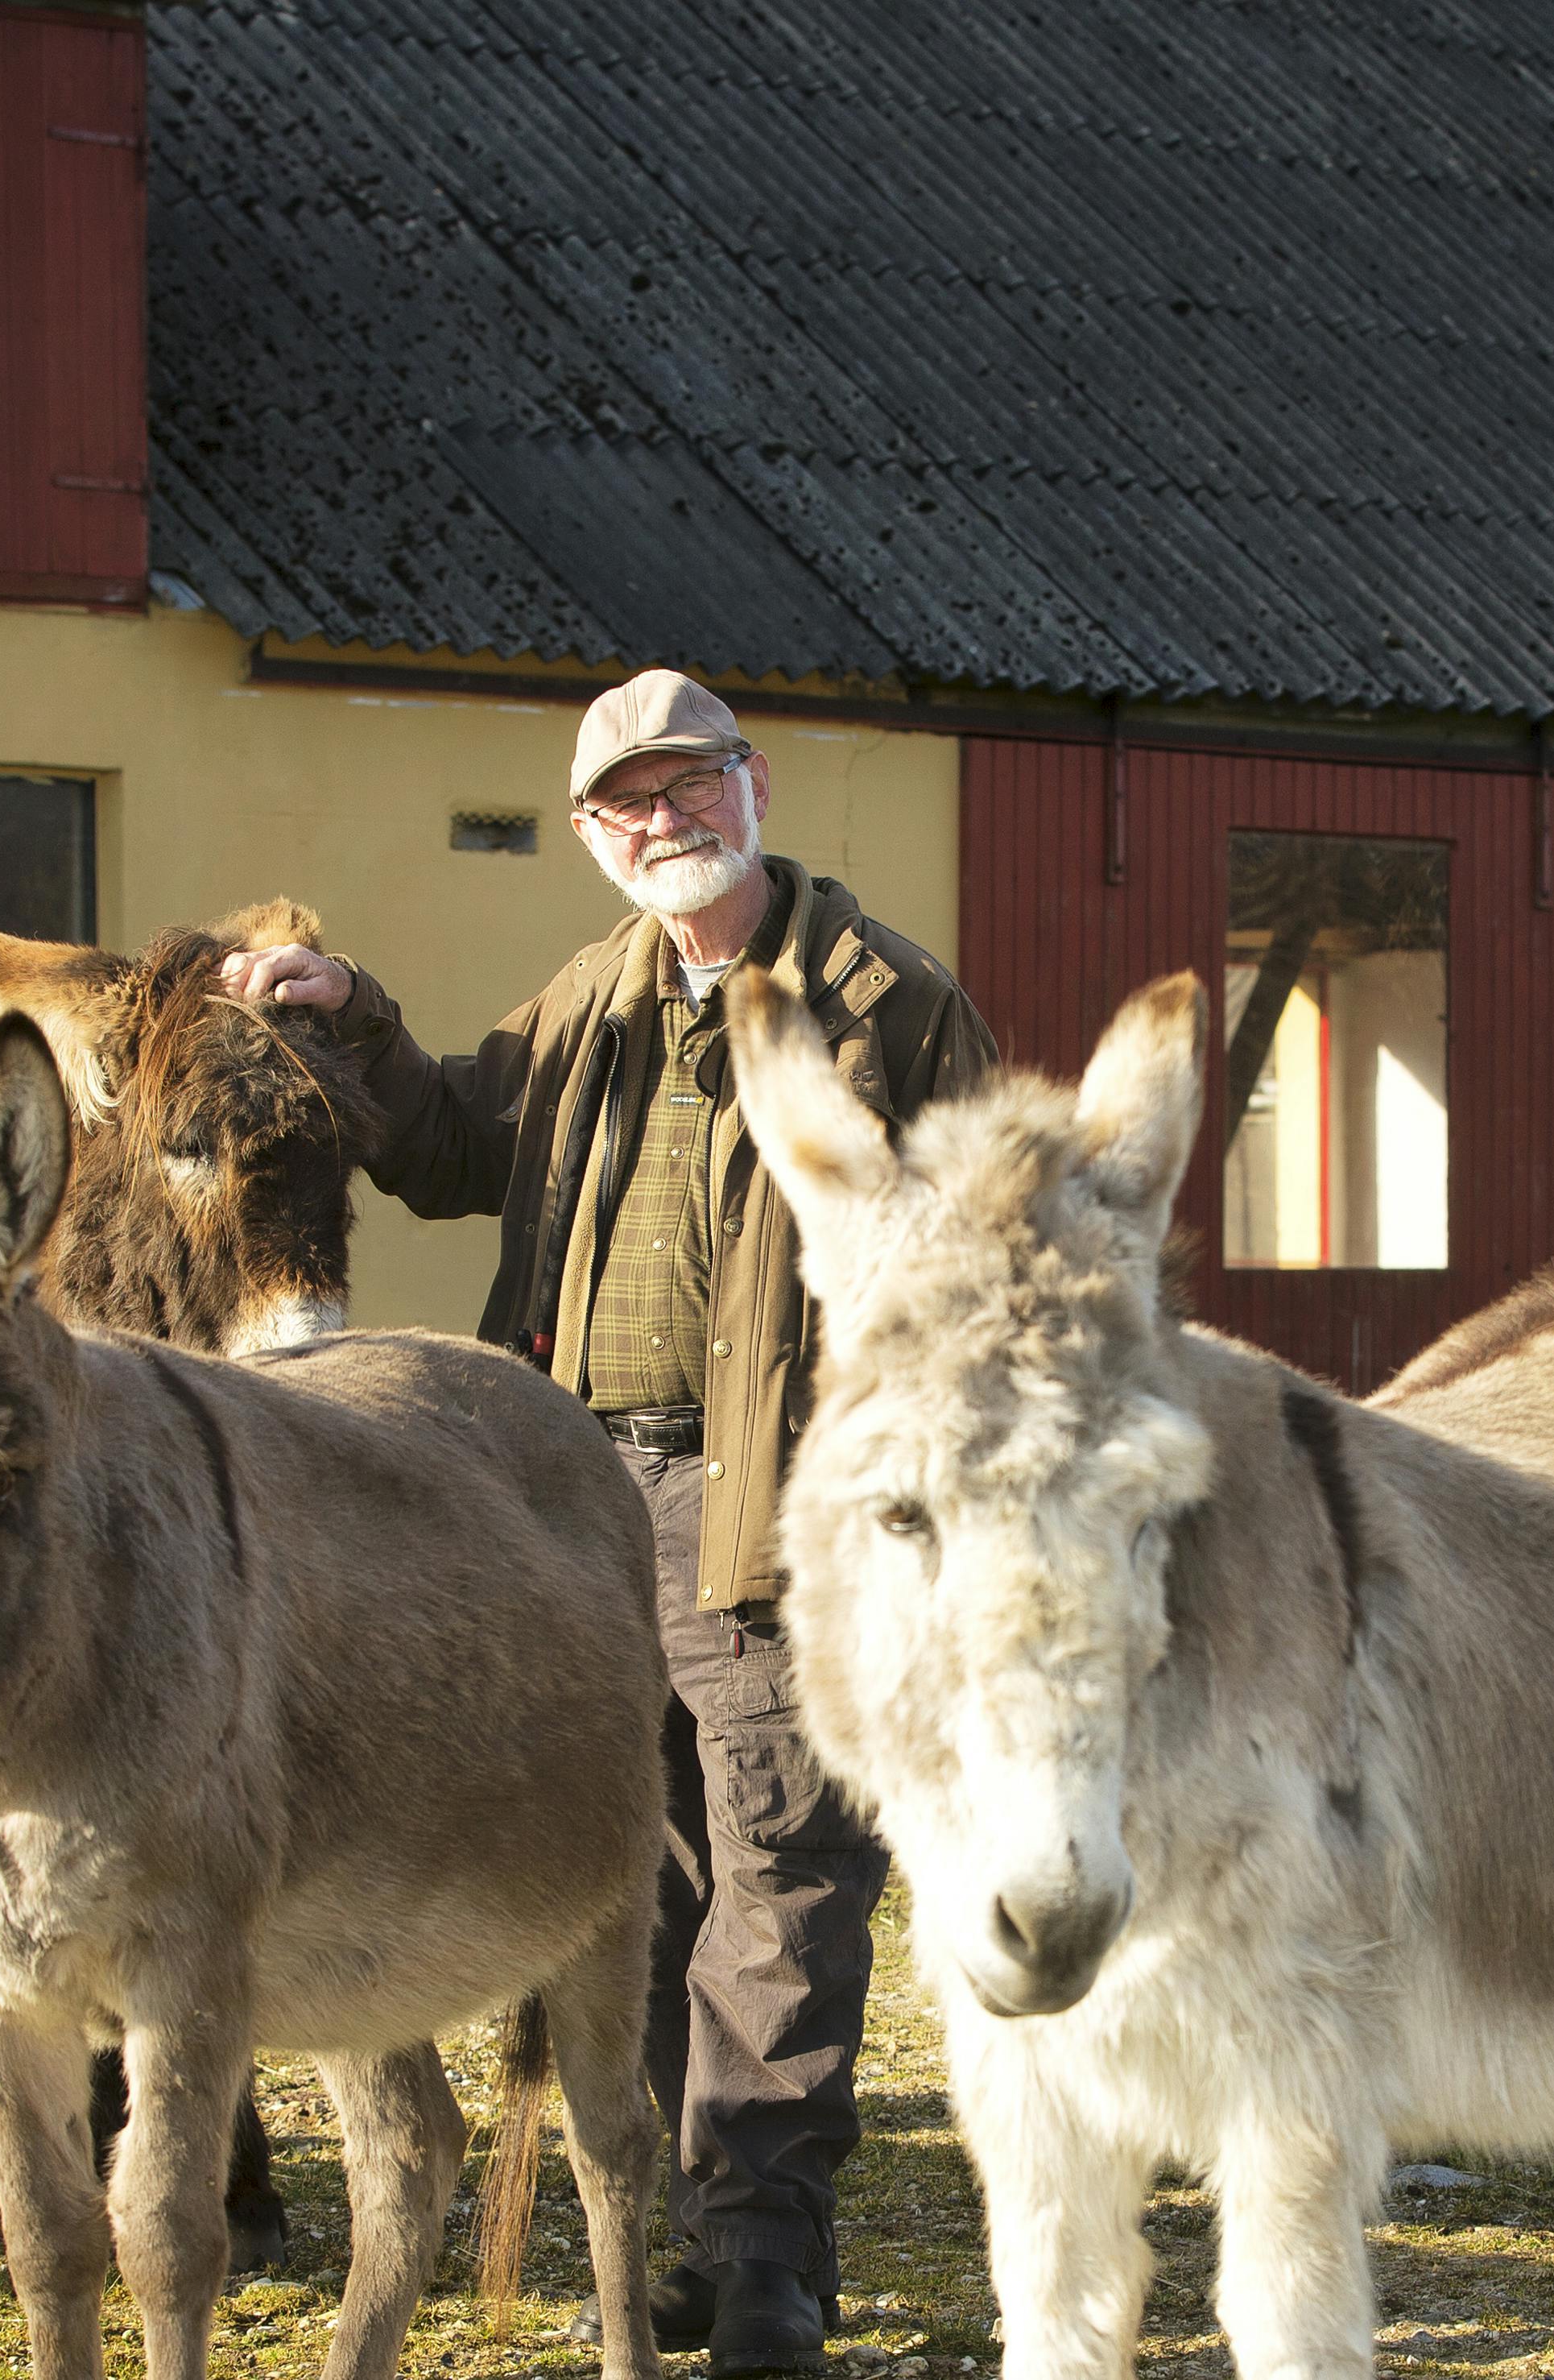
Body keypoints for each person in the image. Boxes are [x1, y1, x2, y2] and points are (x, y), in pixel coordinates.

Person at [219, 671, 994, 2369]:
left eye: (690, 782)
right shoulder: (592, 994)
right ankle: (686, 2236)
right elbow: (445, 1145)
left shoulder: (892, 1005)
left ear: (753, 783)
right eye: (627, 801)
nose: (666, 819)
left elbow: (980, 1270)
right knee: (623, 1872)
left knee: (781, 1873)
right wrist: (349, 1011)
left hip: (781, 1503)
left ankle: (768, 2257)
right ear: (589, 832)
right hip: (565, 1509)